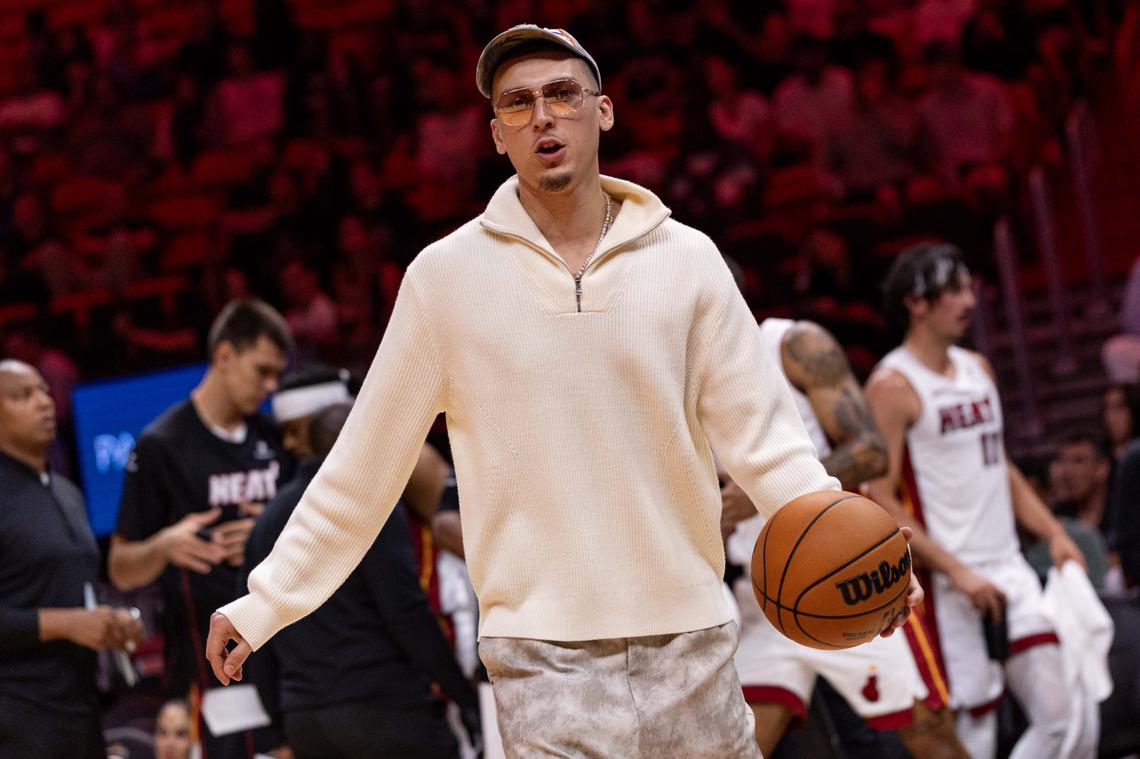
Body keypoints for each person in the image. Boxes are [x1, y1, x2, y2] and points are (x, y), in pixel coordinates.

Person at [207, 25, 920, 758]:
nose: (542, 115)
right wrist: (266, 602)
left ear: (602, 111)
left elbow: (768, 443)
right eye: (517, 104)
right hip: (539, 654)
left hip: (692, 636)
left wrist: (860, 559)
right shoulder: (443, 280)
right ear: (496, 135)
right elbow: (365, 465)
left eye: (561, 94)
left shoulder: (689, 259)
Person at [865, 243, 1087, 759]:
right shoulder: (892, 385)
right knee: (976, 733)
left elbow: (1000, 467)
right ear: (916, 303)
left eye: (969, 289)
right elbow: (880, 499)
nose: (968, 302)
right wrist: (958, 571)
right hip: (948, 585)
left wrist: (1054, 533)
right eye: (954, 291)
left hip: (1008, 566)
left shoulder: (978, 369)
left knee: (1061, 720)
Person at [722, 319, 967, 758]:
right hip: (760, 597)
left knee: (930, 736)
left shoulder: (794, 345)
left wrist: (759, 494)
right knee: (735, 749)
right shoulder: (671, 372)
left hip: (844, 575)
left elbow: (871, 451)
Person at [108, 299, 294, 759]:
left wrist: (269, 531)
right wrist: (165, 546)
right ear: (225, 356)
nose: (271, 387)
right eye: (263, 371)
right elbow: (120, 568)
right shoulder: (161, 445)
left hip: (288, 656)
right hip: (207, 665)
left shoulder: (276, 439)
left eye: (277, 375)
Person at [248, 401, 480, 758]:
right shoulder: (369, 503)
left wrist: (281, 725)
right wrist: (463, 695)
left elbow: (256, 631)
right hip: (383, 708)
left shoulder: (265, 522)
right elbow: (405, 611)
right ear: (362, 445)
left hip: (306, 721)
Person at [0, 359, 143, 757]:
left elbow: (76, 591)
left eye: (44, 391)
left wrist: (111, 620)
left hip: (82, 709)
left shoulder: (68, 493)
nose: (43, 402)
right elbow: (66, 616)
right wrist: (66, 624)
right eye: (22, 396)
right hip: (16, 715)